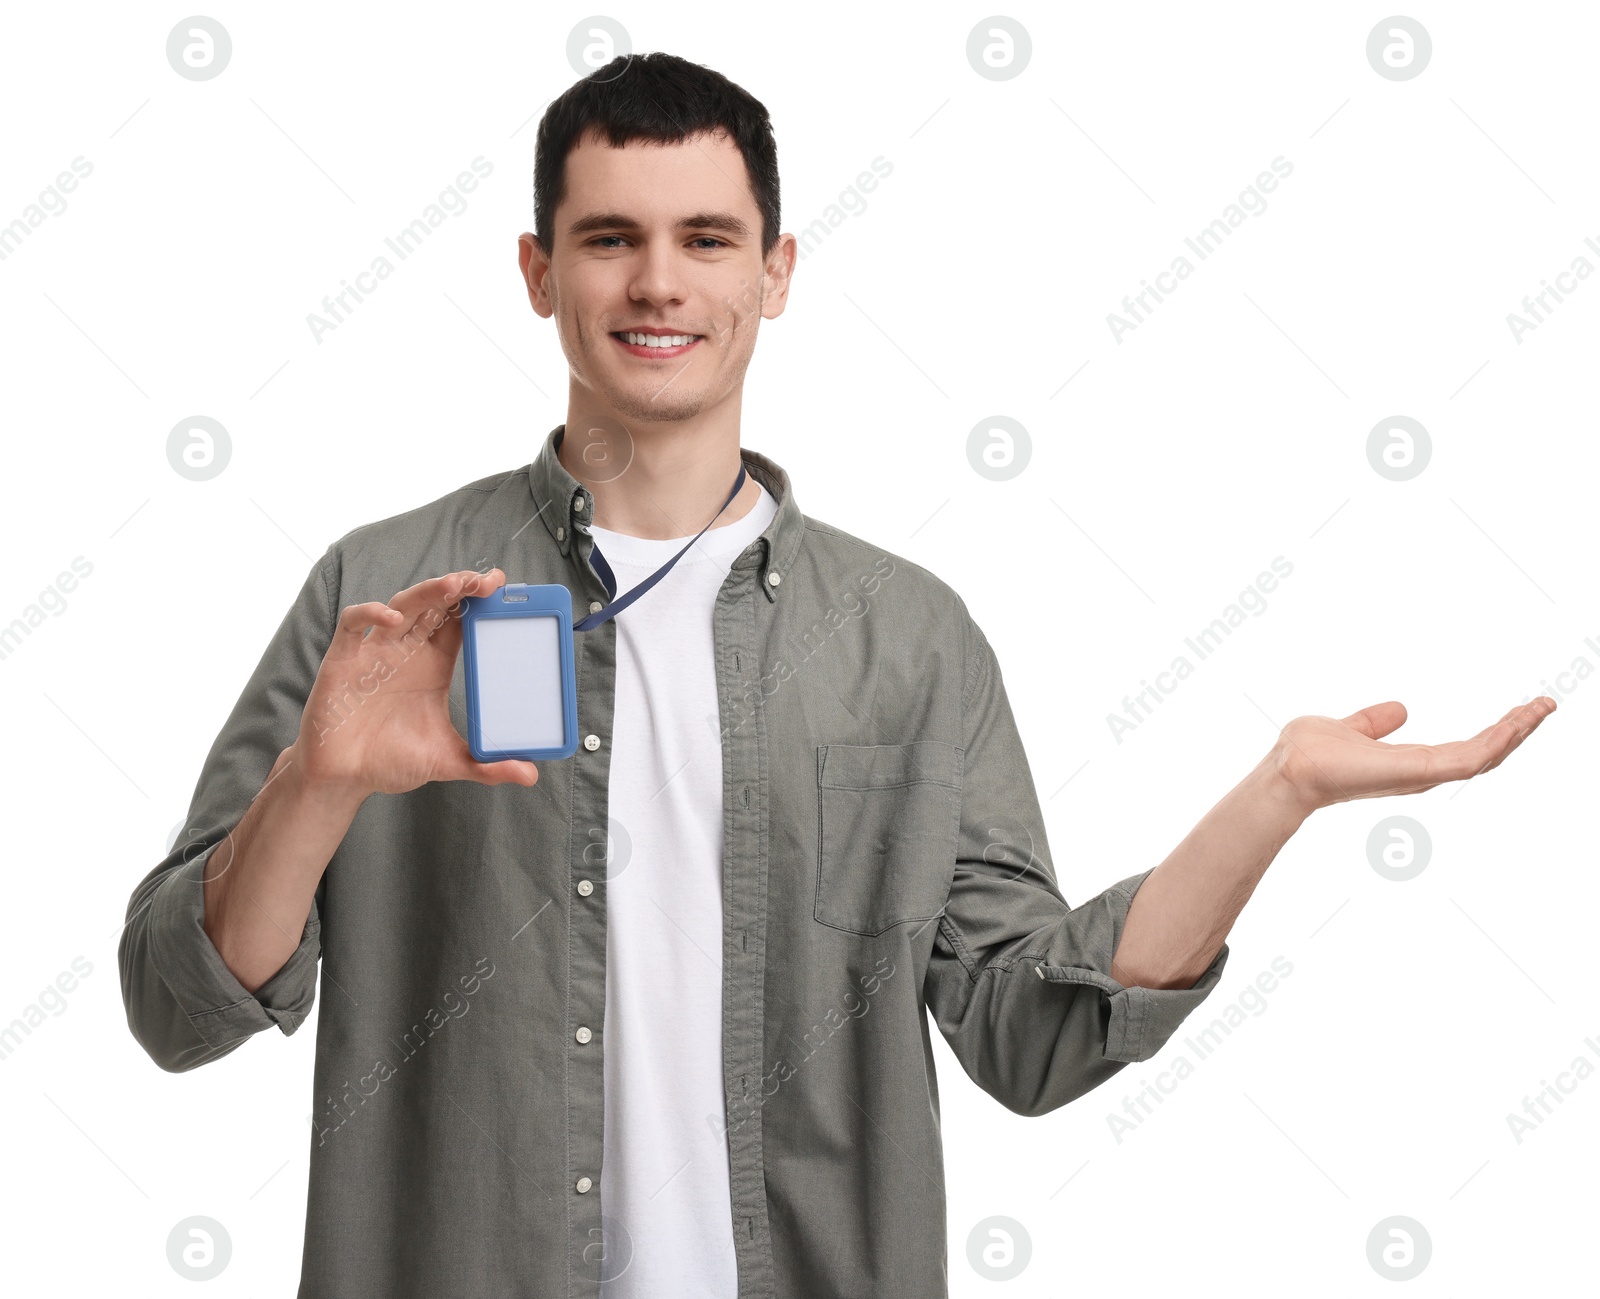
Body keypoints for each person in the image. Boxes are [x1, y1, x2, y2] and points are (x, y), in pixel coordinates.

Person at [117, 51, 1557, 1299]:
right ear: (537, 269)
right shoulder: (388, 596)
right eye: (610, 237)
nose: (660, 282)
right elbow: (177, 1011)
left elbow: (1028, 1029)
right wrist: (320, 786)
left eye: (707, 237)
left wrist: (1278, 794)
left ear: (777, 271)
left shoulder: (908, 636)